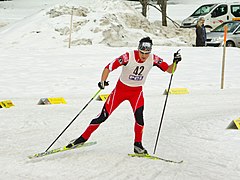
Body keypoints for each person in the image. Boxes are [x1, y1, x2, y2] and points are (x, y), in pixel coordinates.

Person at [66, 37, 182, 154]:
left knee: (140, 119)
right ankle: (82, 138)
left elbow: (169, 70)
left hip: (136, 93)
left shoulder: (153, 59)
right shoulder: (128, 56)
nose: (144, 56)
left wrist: (175, 62)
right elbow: (108, 67)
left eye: (147, 53)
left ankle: (138, 146)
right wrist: (103, 81)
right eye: (142, 52)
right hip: (120, 92)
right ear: (138, 49)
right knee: (103, 116)